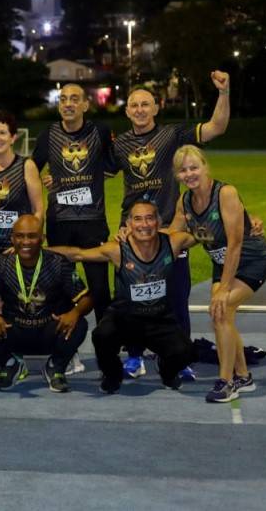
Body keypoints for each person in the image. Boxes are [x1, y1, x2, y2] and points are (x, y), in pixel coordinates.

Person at [110, 71, 231, 380]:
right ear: (127, 111)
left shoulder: (172, 136)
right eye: (134, 105)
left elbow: (217, 127)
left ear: (156, 107)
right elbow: (92, 173)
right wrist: (55, 180)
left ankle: (179, 357)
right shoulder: (119, 145)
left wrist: (223, 92)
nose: (139, 109)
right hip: (133, 232)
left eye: (145, 104)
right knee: (132, 299)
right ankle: (134, 356)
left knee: (177, 298)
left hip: (171, 230)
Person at [49, 200, 197, 394]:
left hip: (159, 318)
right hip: (125, 318)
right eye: (138, 219)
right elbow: (78, 254)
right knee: (101, 336)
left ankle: (167, 373)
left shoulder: (173, 242)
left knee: (186, 352)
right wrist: (37, 248)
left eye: (149, 218)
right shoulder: (118, 249)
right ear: (128, 224)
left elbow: (206, 234)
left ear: (159, 222)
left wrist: (239, 225)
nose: (144, 225)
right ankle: (113, 376)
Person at [170, 145, 266, 403]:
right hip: (222, 262)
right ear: (177, 175)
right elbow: (171, 237)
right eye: (183, 170)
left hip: (252, 260)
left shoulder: (225, 193)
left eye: (194, 167)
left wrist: (224, 288)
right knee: (221, 315)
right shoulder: (184, 202)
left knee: (221, 310)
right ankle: (243, 376)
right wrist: (135, 235)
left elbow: (235, 244)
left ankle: (226, 382)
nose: (189, 174)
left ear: (205, 166)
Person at [0, 215, 91, 393]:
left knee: (80, 324)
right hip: (14, 331)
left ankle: (56, 367)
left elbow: (86, 299)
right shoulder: (1, 264)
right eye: (20, 236)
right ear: (12, 238)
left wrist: (74, 313)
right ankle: (9, 365)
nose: (25, 241)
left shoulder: (58, 263)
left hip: (49, 332)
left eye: (32, 236)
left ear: (42, 239)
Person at [32, 84, 113, 327]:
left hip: (92, 221)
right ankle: (64, 340)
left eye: (75, 99)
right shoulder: (48, 135)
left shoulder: (100, 131)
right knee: (60, 287)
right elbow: (29, 170)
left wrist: (94, 176)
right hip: (59, 222)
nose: (68, 104)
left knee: (99, 287)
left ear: (85, 105)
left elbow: (115, 164)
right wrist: (43, 179)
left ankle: (106, 339)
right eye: (63, 99)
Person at [0, 110, 44, 275]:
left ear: (13, 138)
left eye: (2, 133)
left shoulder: (27, 167)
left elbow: (38, 211)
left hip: (17, 249)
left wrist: (25, 243)